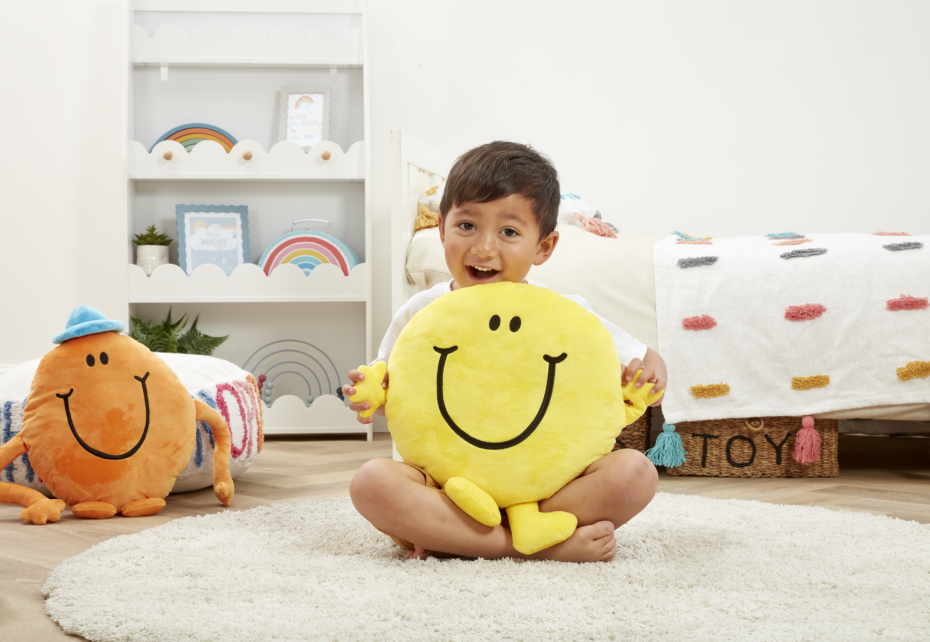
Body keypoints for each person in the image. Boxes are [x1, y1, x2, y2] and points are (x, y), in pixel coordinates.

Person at [343, 141, 667, 562]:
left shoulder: (563, 316)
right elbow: (397, 398)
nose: (483, 248)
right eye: (466, 226)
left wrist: (646, 378)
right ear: (441, 229)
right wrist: (371, 397)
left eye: (509, 232)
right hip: (444, 488)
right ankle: (527, 546)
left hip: (546, 489)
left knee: (635, 473)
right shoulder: (423, 312)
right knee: (372, 483)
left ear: (544, 247)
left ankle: (471, 541)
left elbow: (649, 360)